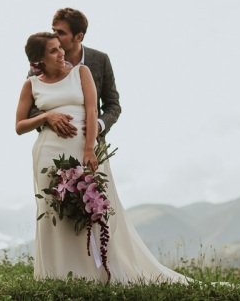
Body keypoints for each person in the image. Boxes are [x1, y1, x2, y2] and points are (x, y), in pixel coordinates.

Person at [16, 32, 188, 283]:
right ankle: (58, 274)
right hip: (48, 154)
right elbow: (20, 126)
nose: (61, 52)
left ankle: (97, 273)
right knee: (55, 210)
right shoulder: (31, 85)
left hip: (82, 149)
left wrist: (89, 149)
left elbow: (92, 110)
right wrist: (46, 117)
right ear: (39, 59)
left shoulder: (81, 72)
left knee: (92, 207)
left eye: (59, 47)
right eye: (53, 50)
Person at [30, 8, 121, 141]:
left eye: (60, 32)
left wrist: (98, 125)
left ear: (78, 37)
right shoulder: (41, 63)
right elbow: (29, 107)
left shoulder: (100, 60)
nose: (54, 36)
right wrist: (47, 118)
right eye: (53, 30)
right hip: (52, 142)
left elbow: (113, 105)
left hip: (93, 146)